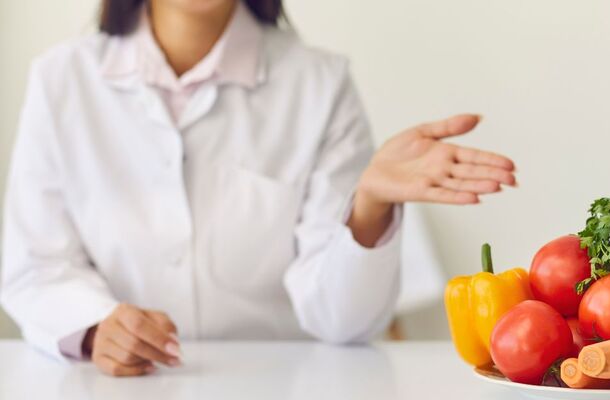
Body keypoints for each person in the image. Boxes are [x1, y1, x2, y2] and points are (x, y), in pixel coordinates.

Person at [0, 0, 517, 377]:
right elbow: (34, 267)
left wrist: (370, 206)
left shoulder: (320, 83)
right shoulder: (61, 80)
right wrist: (94, 327)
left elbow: (344, 323)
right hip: (110, 387)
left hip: (283, 383)